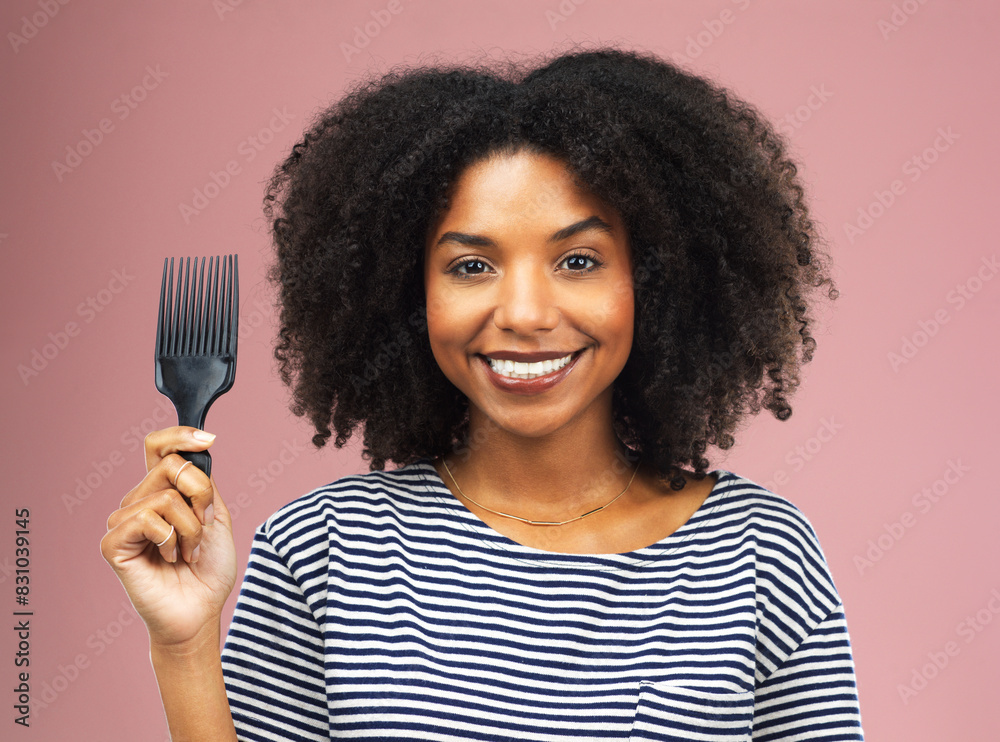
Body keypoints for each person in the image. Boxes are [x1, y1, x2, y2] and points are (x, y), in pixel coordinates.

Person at [102, 46, 864, 740]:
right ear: (409, 293)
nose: (526, 314)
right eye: (472, 267)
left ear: (655, 282)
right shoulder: (322, 550)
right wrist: (185, 644)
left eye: (578, 261)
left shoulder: (760, 555)